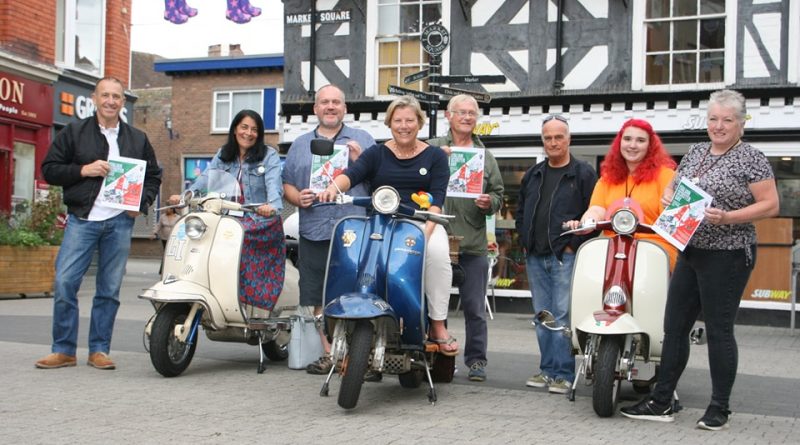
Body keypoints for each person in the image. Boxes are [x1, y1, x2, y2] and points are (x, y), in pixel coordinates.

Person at [620, 90, 779, 430]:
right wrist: (668, 196)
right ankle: (662, 401)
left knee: (719, 331)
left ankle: (719, 408)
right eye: (713, 119)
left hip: (730, 254)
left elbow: (770, 204)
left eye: (727, 120)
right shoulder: (695, 153)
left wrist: (729, 217)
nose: (719, 126)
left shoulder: (751, 157)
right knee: (674, 327)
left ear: (741, 123)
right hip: (690, 249)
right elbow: (673, 190)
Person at [318, 95, 459, 356]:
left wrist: (425, 233)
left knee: (438, 255)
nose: (404, 126)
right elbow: (352, 174)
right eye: (398, 120)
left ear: (419, 122)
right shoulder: (377, 153)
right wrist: (332, 188)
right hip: (379, 221)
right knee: (352, 256)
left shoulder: (435, 156)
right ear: (389, 123)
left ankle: (437, 324)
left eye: (409, 120)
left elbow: (437, 199)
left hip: (419, 222)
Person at [36, 77, 162, 370]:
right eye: (105, 95)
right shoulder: (74, 132)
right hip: (83, 219)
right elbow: (50, 170)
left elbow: (153, 176)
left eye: (116, 96)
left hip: (119, 222)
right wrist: (83, 169)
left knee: (109, 289)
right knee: (65, 282)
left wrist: (140, 204)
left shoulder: (137, 138)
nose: (111, 101)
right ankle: (64, 350)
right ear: (94, 98)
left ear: (122, 102)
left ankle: (99, 350)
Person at [282, 85, 376, 375]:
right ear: (316, 109)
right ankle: (331, 354)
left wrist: (363, 163)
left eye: (336, 101)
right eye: (325, 102)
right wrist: (298, 198)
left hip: (353, 230)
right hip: (314, 228)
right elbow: (287, 184)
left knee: (357, 292)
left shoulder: (364, 140)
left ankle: (361, 356)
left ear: (345, 108)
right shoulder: (299, 144)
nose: (331, 106)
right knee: (316, 297)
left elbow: (380, 185)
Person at [171, 109, 285, 311]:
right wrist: (185, 196)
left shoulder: (269, 156)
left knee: (238, 236)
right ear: (234, 129)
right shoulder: (223, 155)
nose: (248, 133)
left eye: (254, 129)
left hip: (257, 218)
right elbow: (206, 178)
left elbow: (274, 185)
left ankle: (249, 300)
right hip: (225, 216)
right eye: (244, 127)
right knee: (199, 234)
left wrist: (272, 206)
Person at [516, 115, 597, 394]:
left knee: (562, 316)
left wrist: (572, 244)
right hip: (535, 256)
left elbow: (593, 215)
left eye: (558, 137)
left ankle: (563, 373)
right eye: (548, 138)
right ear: (543, 141)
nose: (553, 142)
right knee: (543, 315)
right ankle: (546, 370)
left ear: (569, 139)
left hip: (565, 255)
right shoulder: (533, 174)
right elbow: (521, 212)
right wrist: (525, 240)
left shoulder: (583, 173)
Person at [427, 95, 504, 382]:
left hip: (472, 242)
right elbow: (415, 180)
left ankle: (476, 361)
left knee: (474, 307)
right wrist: (437, 160)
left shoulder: (486, 156)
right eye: (462, 112)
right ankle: (434, 357)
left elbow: (498, 193)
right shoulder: (433, 148)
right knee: (435, 304)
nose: (467, 117)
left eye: (472, 113)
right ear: (449, 115)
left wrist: (490, 202)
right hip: (436, 238)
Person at [565, 118, 677, 268]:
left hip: (654, 252)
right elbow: (597, 209)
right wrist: (585, 223)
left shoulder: (667, 176)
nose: (632, 145)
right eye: (627, 139)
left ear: (650, 146)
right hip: (613, 252)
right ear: (619, 143)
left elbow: (673, 223)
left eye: (641, 140)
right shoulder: (606, 179)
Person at [152, 207, 181, 274]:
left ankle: (173, 269)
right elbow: (158, 225)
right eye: (166, 209)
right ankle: (163, 270)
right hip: (164, 238)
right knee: (165, 253)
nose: (167, 210)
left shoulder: (178, 217)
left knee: (172, 254)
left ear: (172, 209)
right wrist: (154, 233)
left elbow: (180, 226)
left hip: (174, 239)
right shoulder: (163, 217)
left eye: (168, 209)